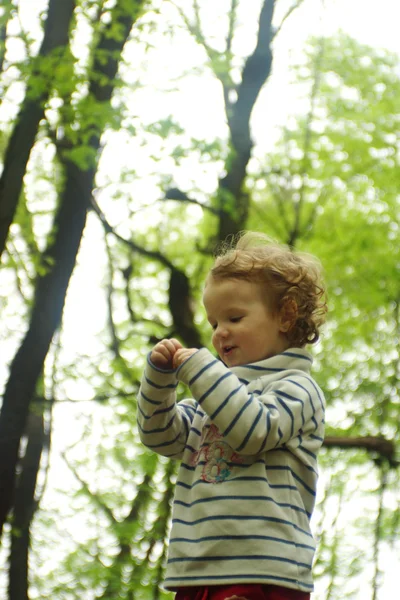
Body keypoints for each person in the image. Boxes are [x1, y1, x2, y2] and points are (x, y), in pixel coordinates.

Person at [137, 232, 327, 600]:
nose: (219, 333)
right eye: (213, 324)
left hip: (263, 570)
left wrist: (203, 371)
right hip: (198, 570)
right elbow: (161, 436)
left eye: (234, 318)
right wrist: (159, 381)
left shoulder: (298, 390)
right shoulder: (213, 399)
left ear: (286, 315)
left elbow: (252, 429)